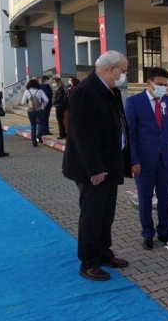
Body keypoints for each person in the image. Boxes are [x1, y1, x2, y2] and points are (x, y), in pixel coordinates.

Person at [62, 51, 131, 281]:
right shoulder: (85, 91)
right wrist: (95, 168)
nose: (123, 75)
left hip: (110, 164)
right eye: (123, 71)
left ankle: (103, 252)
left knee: (106, 213)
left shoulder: (111, 91)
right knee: (92, 215)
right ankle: (89, 261)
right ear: (111, 69)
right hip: (92, 169)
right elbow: (83, 135)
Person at [126, 67, 168, 250]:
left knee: (165, 198)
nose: (163, 88)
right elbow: (130, 134)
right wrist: (133, 160)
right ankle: (148, 234)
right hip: (144, 162)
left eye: (165, 85)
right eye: (159, 84)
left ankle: (164, 230)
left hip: (166, 160)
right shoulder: (134, 102)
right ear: (149, 83)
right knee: (145, 199)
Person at [21, 79, 49, 147]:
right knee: (41, 124)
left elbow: (23, 102)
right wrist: (42, 106)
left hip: (31, 111)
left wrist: (28, 106)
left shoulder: (27, 91)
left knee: (33, 126)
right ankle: (39, 135)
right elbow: (46, 100)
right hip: (39, 110)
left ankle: (34, 143)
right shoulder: (40, 91)